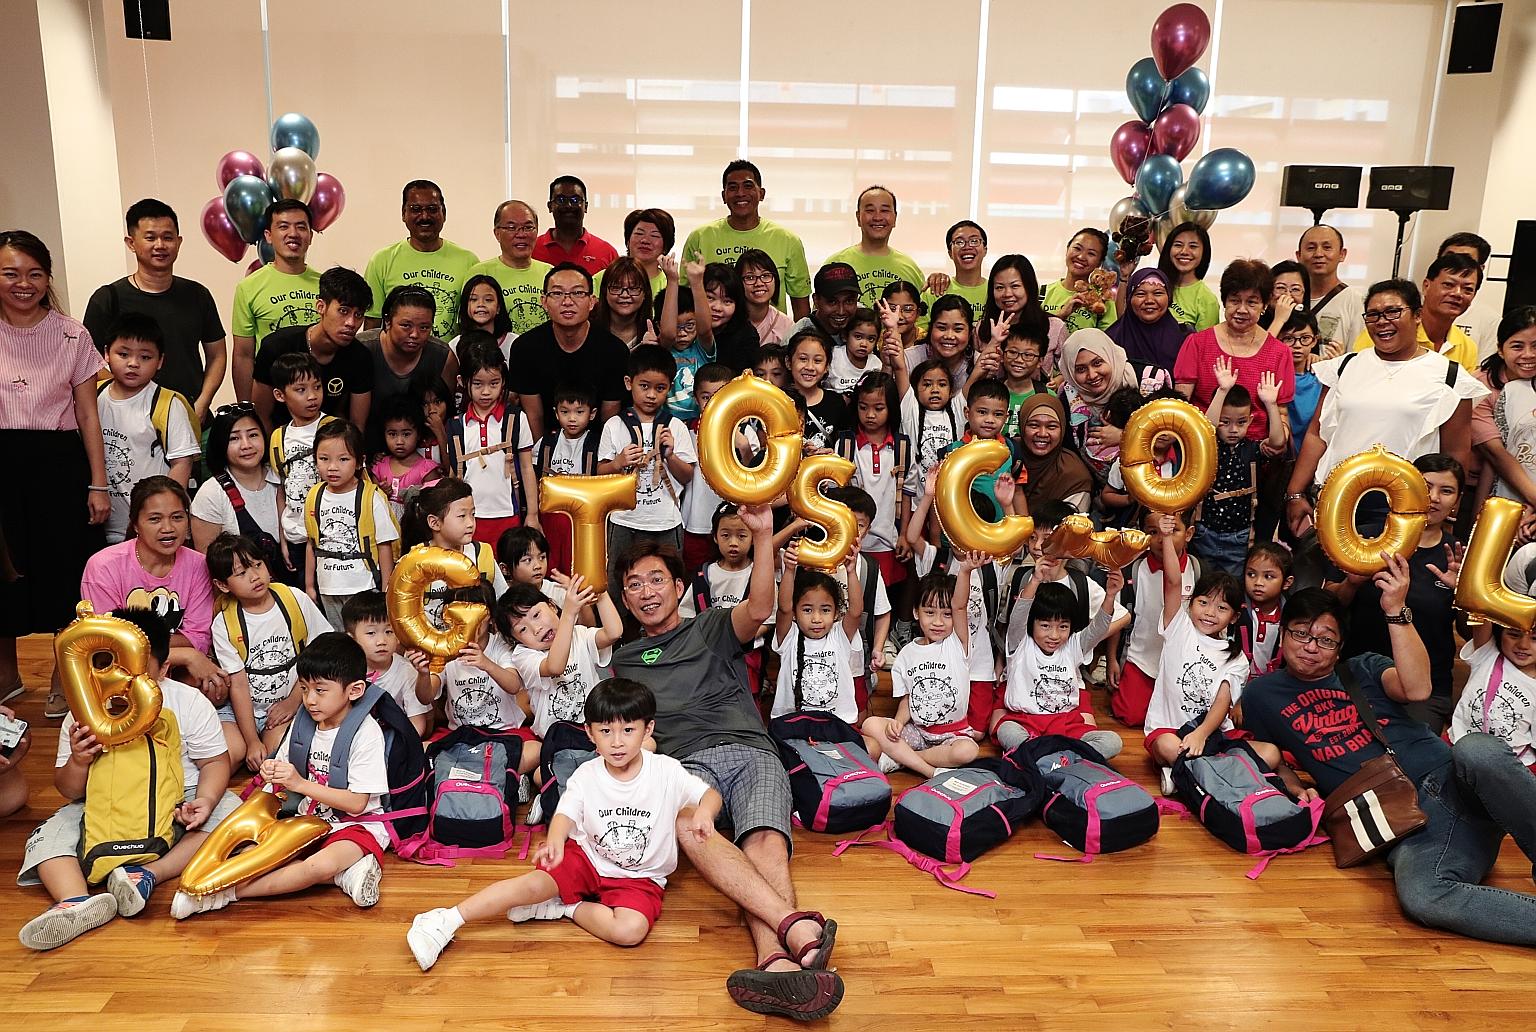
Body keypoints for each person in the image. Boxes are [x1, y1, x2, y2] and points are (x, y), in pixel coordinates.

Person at [608, 516, 845, 1021]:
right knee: (689, 828)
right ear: (625, 601)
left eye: (655, 580)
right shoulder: (625, 659)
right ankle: (799, 930)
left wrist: (764, 535)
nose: (646, 592)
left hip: (750, 748)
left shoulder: (712, 625)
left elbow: (760, 607)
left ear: (678, 587)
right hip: (687, 765)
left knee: (764, 843)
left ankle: (777, 963)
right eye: (633, 585)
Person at [1241, 583, 1536, 947]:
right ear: (1283, 634)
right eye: (1300, 633)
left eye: (1326, 639)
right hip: (1409, 826)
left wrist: (1396, 609)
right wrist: (1290, 781)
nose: (1311, 646)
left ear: (1339, 649)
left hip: (1453, 781)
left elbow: (1417, 689)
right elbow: (1262, 750)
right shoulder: (1261, 695)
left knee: (1478, 750)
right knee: (1423, 896)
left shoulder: (1362, 668)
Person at [407, 678, 722, 968]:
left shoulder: (665, 770)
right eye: (605, 731)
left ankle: (562, 907)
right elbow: (565, 813)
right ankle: (445, 919)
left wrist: (704, 812)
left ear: (648, 729)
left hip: (640, 877)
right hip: (587, 858)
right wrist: (556, 841)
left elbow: (709, 794)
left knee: (630, 931)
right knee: (531, 883)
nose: (616, 742)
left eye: (628, 731)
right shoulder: (588, 774)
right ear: (589, 733)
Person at [18, 607, 237, 949]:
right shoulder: (84, 707)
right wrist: (79, 760)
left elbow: (214, 762)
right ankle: (75, 902)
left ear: (164, 669)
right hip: (103, 803)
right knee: (50, 835)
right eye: (110, 663)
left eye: (136, 667)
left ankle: (145, 875)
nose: (119, 678)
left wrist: (205, 801)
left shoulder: (188, 702)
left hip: (178, 795)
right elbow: (69, 790)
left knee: (231, 813)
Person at [171, 633, 395, 920]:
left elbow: (357, 804)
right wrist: (271, 772)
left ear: (354, 691)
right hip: (303, 818)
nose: (310, 700)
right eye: (304, 689)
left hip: (354, 825)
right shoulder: (304, 722)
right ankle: (346, 875)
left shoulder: (366, 733)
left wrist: (300, 783)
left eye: (320, 690)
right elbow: (283, 773)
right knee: (254, 852)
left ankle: (222, 894)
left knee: (318, 867)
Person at [0, 230, 109, 715]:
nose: (23, 284)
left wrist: (98, 481)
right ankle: (7, 676)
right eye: (9, 274)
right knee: (2, 573)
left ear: (47, 278)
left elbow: (89, 414)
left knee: (64, 571)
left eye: (34, 274)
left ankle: (67, 680)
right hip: (1, 465)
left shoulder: (72, 334)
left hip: (60, 465)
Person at [1287, 279, 1487, 537]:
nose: (1382, 321)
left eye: (1393, 312)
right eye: (1373, 315)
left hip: (1404, 507)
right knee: (1322, 576)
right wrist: (1294, 493)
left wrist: (1447, 515)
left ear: (1417, 315)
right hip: (1333, 497)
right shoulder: (1345, 365)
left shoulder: (1449, 375)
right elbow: (1317, 434)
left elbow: (1456, 454)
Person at [1323, 454, 1464, 733]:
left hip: (1424, 687)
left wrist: (1464, 594)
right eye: (1425, 487)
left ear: (1457, 501)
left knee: (1407, 759)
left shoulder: (1459, 556)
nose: (1434, 498)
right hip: (1354, 674)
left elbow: (1471, 635)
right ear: (1404, 488)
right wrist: (1352, 582)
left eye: (1446, 491)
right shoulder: (1362, 538)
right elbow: (1327, 607)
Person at [1145, 516, 1267, 788]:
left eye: (1222, 608)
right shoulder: (1178, 627)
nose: (1210, 613)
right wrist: (1166, 538)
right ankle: (1213, 772)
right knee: (1167, 746)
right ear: (1191, 604)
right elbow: (1173, 582)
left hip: (1211, 734)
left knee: (1271, 753)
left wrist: (1201, 734)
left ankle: (1184, 773)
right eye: (1203, 603)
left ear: (1235, 617)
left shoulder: (1235, 657)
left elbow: (1223, 701)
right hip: (1171, 731)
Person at [80, 476, 224, 700]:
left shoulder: (198, 565)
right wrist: (186, 654)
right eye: (155, 519)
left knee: (212, 685)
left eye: (177, 517)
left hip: (177, 673)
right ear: (135, 524)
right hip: (118, 673)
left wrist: (186, 654)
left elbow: (199, 637)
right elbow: (110, 645)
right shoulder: (103, 567)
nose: (168, 528)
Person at [83, 198, 226, 421]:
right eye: (150, 237)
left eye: (167, 237)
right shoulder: (108, 298)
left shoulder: (197, 294)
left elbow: (217, 355)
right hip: (128, 423)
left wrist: (202, 403)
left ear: (178, 242)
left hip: (193, 416)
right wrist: (130, 402)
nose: (160, 245)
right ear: (131, 243)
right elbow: (89, 362)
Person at [207, 532, 332, 769]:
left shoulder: (293, 599)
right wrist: (252, 740)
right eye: (241, 573)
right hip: (242, 711)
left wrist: (294, 701)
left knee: (278, 753)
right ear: (222, 585)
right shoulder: (225, 623)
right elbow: (239, 684)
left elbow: (320, 651)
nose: (255, 576)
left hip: (289, 702)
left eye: (258, 565)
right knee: (231, 754)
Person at [997, 557, 1126, 759]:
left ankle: (1042, 759)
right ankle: (1065, 759)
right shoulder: (1019, 642)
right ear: (1032, 624)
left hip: (1068, 724)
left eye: (1063, 626)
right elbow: (1020, 614)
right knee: (1007, 731)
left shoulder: (1073, 645)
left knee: (1112, 741)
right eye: (1045, 626)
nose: (1054, 635)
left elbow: (1097, 629)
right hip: (1027, 723)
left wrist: (1110, 596)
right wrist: (1035, 580)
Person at [864, 567, 984, 776]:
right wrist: (898, 723)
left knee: (968, 751)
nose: (938, 622)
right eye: (930, 613)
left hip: (952, 735)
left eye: (946, 615)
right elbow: (908, 700)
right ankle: (930, 771)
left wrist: (964, 571)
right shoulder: (906, 654)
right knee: (870, 724)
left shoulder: (958, 644)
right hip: (918, 733)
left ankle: (903, 760)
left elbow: (959, 606)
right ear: (915, 612)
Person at [95, 313, 200, 544]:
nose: (133, 363)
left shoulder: (167, 403)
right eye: (123, 354)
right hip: (101, 521)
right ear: (106, 354)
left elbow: (182, 463)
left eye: (145, 357)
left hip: (150, 531)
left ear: (160, 361)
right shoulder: (94, 396)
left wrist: (165, 517)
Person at [1173, 259, 1297, 448]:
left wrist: (1274, 443)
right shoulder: (1197, 344)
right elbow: (1181, 406)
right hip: (1202, 447)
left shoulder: (1279, 352)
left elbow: (1282, 413)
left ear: (1264, 306)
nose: (1241, 309)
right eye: (1234, 300)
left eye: (1252, 302)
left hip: (1256, 453)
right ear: (1224, 301)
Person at [598, 345, 696, 579]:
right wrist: (618, 462)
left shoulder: (676, 427)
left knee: (667, 580)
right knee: (619, 579)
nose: (651, 395)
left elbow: (687, 476)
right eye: (644, 386)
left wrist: (670, 455)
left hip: (665, 520)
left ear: (669, 389)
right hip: (623, 519)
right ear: (628, 382)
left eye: (660, 388)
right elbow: (600, 472)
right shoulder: (614, 425)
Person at [508, 264, 630, 440]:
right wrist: (541, 459)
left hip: (596, 448)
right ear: (544, 301)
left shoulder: (614, 350)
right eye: (557, 293)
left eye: (578, 293)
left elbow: (609, 420)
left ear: (592, 302)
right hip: (546, 446)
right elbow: (534, 416)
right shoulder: (525, 348)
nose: (567, 302)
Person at [682, 160, 811, 319]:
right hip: (715, 337)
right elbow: (684, 298)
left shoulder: (788, 240)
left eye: (748, 186)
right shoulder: (700, 237)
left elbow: (800, 304)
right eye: (733, 187)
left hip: (772, 339)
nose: (740, 193)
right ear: (724, 196)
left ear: (761, 194)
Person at [501, 579, 624, 742]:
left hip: (596, 725)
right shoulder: (523, 655)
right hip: (557, 736)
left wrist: (599, 591)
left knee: (646, 744)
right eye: (522, 629)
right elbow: (555, 666)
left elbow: (613, 633)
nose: (536, 629)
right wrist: (569, 613)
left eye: (536, 615)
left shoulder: (579, 634)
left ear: (552, 606)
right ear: (515, 640)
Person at [251, 265, 373, 430]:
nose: (351, 323)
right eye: (343, 311)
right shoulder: (276, 347)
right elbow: (261, 416)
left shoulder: (360, 357)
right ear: (321, 307)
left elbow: (357, 425)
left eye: (358, 315)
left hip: (331, 445)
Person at [304, 421, 399, 627]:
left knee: (368, 638)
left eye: (343, 459)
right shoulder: (314, 496)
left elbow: (384, 546)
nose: (332, 467)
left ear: (359, 462)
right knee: (341, 641)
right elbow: (312, 543)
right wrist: (310, 585)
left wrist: (386, 589)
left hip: (363, 586)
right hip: (328, 587)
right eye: (323, 459)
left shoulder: (371, 497)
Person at [1193, 363, 1286, 575]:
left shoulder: (1253, 448)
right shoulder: (1208, 446)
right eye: (1225, 422)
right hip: (1205, 532)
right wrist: (1223, 390)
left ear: (1250, 421)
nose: (1233, 430)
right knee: (1204, 583)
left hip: (1240, 537)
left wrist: (1271, 404)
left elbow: (1278, 443)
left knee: (1234, 588)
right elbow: (1205, 428)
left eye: (1241, 422)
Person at [1112, 507, 1199, 727]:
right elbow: (1119, 616)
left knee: (1184, 719)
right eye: (1154, 532)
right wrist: (1112, 658)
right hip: (1141, 660)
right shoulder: (1133, 570)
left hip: (1182, 662)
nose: (1162, 539)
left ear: (1188, 534)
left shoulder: (1197, 570)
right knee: (1131, 716)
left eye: (1172, 530)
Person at [230, 199, 321, 402]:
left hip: (317, 394)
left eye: (301, 227)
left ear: (310, 236)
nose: (293, 234)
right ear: (268, 236)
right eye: (283, 226)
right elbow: (243, 355)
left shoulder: (325, 285)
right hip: (271, 396)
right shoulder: (249, 287)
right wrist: (247, 409)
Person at [364, 181, 478, 339]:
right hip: (396, 361)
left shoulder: (468, 262)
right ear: (404, 214)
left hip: (450, 360)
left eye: (432, 209)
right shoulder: (381, 261)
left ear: (443, 213)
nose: (424, 216)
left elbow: (475, 323)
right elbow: (372, 325)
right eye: (415, 209)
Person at [1061, 328, 1169, 482]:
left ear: (1109, 356)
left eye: (1097, 363)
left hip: (1157, 479)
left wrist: (1124, 436)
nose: (1092, 375)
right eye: (1080, 369)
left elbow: (1170, 432)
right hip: (1097, 487)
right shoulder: (1069, 395)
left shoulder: (1149, 379)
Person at [357, 284, 457, 451]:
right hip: (366, 448)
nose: (415, 334)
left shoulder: (443, 357)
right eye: (406, 325)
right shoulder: (362, 349)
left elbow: (448, 415)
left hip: (423, 454)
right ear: (388, 322)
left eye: (424, 327)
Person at [266, 353, 335, 581]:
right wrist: (283, 537)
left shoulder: (334, 429)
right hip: (296, 538)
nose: (312, 396)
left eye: (317, 387)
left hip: (331, 536)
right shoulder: (278, 437)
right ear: (279, 395)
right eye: (301, 390)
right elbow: (281, 490)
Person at [190, 404, 285, 569]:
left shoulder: (284, 479)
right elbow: (207, 565)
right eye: (234, 438)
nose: (246, 445)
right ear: (220, 444)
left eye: (253, 435)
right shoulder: (211, 494)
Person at [1352, 253, 1482, 373]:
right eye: (1448, 285)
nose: (1457, 293)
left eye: (1468, 289)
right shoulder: (1385, 333)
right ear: (1426, 286)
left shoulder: (1467, 347)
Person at [342, 591, 433, 738]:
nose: (381, 641)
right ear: (352, 639)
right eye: (371, 633)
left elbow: (418, 725)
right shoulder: (345, 670)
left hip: (395, 740)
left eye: (389, 631)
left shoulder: (407, 671)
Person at [1448, 621, 1536, 770]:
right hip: (1456, 744)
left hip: (1513, 764)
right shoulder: (1486, 655)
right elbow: (1482, 608)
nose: (1523, 645)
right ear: (1500, 634)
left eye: (1535, 638)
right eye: (1514, 635)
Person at [1472, 307, 1536, 506]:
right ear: (1500, 349)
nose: (1528, 355)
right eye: (1517, 346)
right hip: (1479, 489)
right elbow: (1496, 454)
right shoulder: (1478, 387)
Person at [823, 186, 925, 309]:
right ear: (858, 217)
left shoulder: (910, 267)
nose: (877, 217)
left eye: (885, 210)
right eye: (870, 210)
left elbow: (921, 321)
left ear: (895, 218)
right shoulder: (836, 264)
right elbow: (821, 316)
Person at [469, 200, 554, 336]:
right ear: (497, 233)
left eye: (528, 227)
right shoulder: (480, 273)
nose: (521, 234)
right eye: (511, 228)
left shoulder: (550, 273)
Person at [1016, 393, 1093, 514]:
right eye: (1033, 425)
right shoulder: (1006, 454)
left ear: (1062, 429)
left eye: (1051, 427)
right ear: (1022, 426)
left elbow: (1070, 529)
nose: (1042, 433)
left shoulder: (1074, 476)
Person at [370, 394, 442, 519]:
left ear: (418, 434)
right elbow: (370, 501)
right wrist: (381, 493)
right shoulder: (379, 466)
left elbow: (434, 507)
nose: (399, 441)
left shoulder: (427, 470)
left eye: (406, 434)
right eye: (392, 434)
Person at [1296, 225, 1363, 352]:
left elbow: (1357, 355)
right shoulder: (1288, 298)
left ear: (1342, 254)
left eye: (1327, 248)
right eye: (1311, 248)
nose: (1319, 254)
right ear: (1299, 256)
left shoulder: (1355, 301)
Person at [532, 175, 618, 273]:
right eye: (561, 200)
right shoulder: (532, 250)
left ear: (585, 207)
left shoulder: (607, 253)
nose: (568, 205)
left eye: (575, 200)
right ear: (550, 206)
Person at [1107, 267, 1186, 373]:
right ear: (1129, 299)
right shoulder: (1110, 340)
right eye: (1140, 294)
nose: (1149, 300)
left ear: (1169, 298)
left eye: (1158, 293)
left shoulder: (1185, 341)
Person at [1438, 231, 1501, 361]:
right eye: (1449, 259)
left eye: (1465, 260)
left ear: (1480, 269)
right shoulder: (1410, 306)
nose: (1456, 265)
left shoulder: (1489, 320)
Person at [1043, 228, 1117, 333]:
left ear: (1100, 262)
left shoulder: (1103, 301)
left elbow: (1107, 341)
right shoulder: (1041, 293)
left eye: (1091, 254)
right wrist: (1060, 316)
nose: (1081, 257)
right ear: (1067, 249)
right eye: (1077, 248)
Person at [919, 220, 989, 326]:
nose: (967, 247)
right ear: (950, 253)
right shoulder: (936, 290)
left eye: (974, 241)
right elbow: (920, 334)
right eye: (959, 242)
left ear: (985, 250)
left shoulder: (995, 291)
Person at [598, 207, 673, 301]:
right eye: (639, 234)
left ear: (666, 246)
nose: (645, 240)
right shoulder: (602, 278)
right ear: (628, 240)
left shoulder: (670, 283)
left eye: (654, 236)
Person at [1157, 222, 1220, 332]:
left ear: (1204, 253)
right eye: (1178, 245)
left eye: (1193, 246)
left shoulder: (1207, 299)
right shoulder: (1155, 284)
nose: (1184, 251)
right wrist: (1124, 278)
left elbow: (1204, 346)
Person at [790, 262, 860, 348]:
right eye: (832, 302)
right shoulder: (797, 337)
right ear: (816, 300)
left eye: (849, 301)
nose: (841, 311)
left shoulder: (864, 323)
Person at [737, 247, 797, 346]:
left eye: (765, 276)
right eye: (750, 277)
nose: (759, 283)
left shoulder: (786, 326)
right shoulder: (728, 320)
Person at [592, 256, 654, 349]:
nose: (625, 295)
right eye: (616, 288)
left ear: (645, 293)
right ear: (605, 292)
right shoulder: (589, 332)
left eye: (633, 288)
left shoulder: (653, 334)